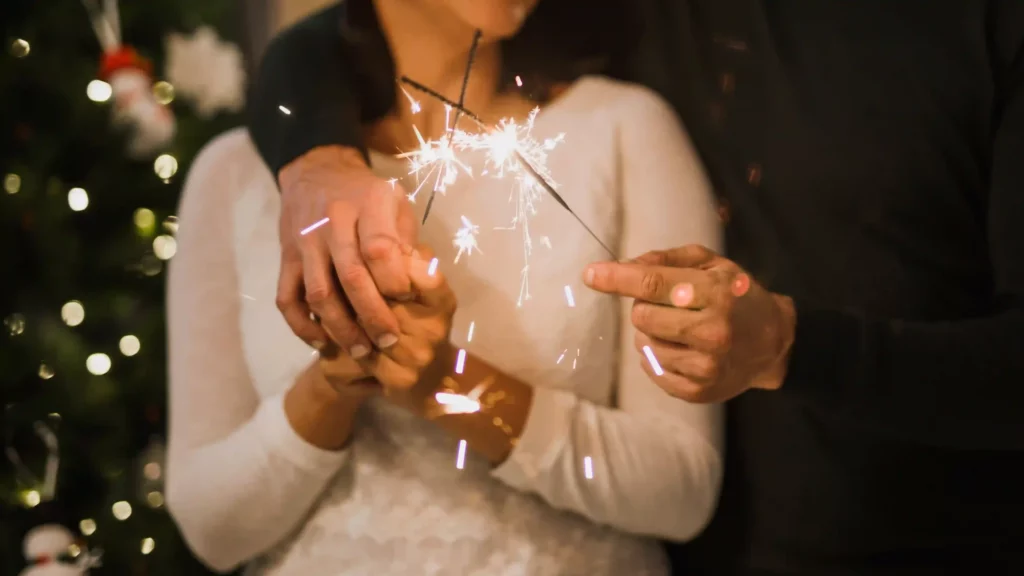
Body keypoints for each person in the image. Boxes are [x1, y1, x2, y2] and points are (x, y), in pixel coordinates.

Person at [247, 1, 1024, 575]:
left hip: (941, 546)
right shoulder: (635, 15)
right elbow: (342, 37)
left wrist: (794, 344)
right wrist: (317, 156)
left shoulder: (983, 26)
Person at [165, 0, 725, 574]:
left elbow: (682, 492)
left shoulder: (621, 130)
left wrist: (447, 383)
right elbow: (211, 530)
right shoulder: (236, 173)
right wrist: (334, 383)